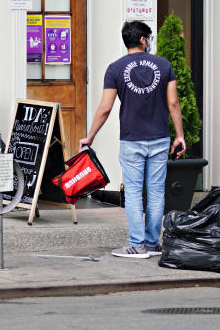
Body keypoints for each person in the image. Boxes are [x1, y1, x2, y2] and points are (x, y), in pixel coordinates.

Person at [79, 20, 186, 259]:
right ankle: (152, 243)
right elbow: (173, 103)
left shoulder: (115, 68)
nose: (150, 42)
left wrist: (90, 136)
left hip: (131, 139)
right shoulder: (164, 65)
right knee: (157, 192)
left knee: (135, 192)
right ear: (142, 40)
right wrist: (179, 135)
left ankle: (137, 245)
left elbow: (105, 108)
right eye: (149, 38)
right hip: (159, 138)